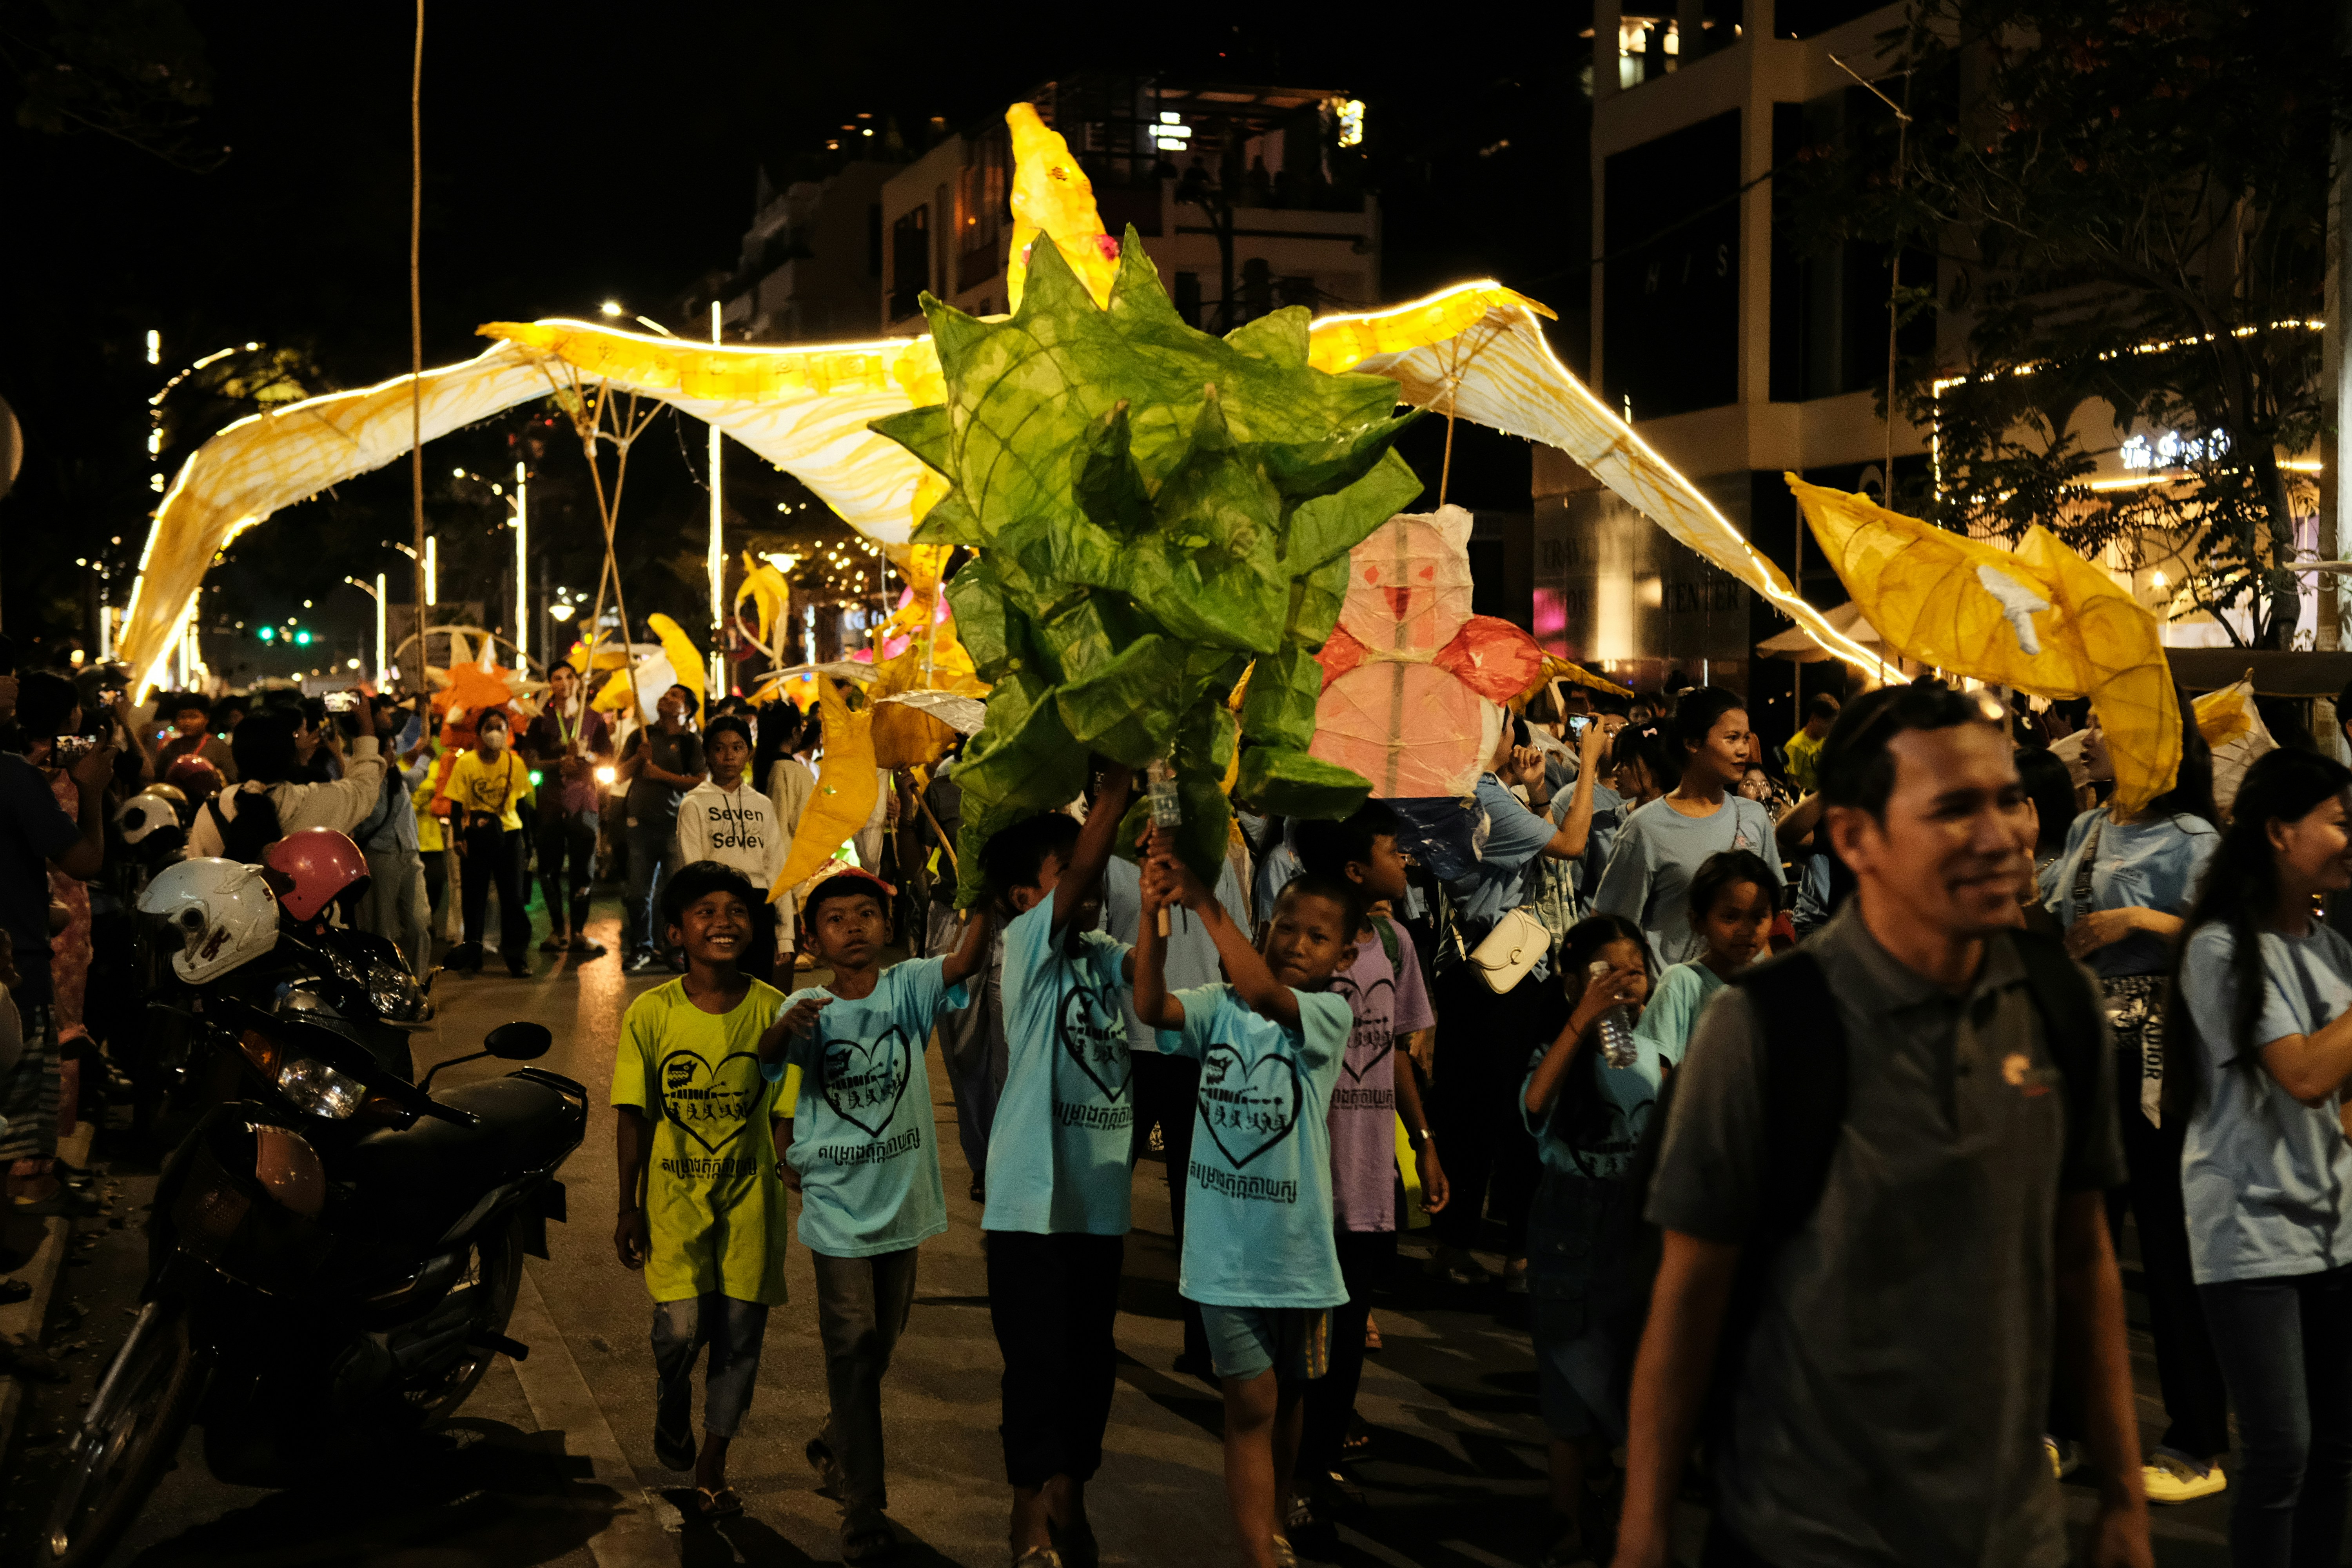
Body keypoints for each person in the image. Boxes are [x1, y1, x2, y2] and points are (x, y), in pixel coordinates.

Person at [1614, 681, 2148, 1568]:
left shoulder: (2058, 1003)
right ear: (1856, 838)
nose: (2002, 834)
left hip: (2010, 1534)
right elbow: (1687, 1297)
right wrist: (1643, 1527)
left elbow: (2082, 1253)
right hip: (1804, 1532)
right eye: (1953, 809)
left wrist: (2124, 1496)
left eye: (2009, 797)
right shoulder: (1766, 1027)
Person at [1133, 853, 1361, 1568]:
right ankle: (1259, 1553)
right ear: (1263, 926)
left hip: (1299, 1257)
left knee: (1290, 1400)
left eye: (1317, 938)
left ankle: (1276, 1518)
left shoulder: (1326, 1014)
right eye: (1284, 928)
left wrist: (1202, 897)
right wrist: (1154, 916)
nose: (1296, 944)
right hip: (1223, 1255)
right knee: (1251, 1406)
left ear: (1345, 955)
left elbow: (1264, 994)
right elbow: (1150, 1008)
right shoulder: (1215, 1006)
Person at [767, 868, 991, 1563]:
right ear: (813, 938)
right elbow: (767, 1063)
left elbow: (966, 960)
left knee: (883, 1343)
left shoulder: (909, 986)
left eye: (867, 913)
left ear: (887, 928)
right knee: (853, 1347)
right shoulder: (807, 1005)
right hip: (836, 1205)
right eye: (836, 918)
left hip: (904, 1201)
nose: (854, 926)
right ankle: (864, 1506)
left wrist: (981, 887)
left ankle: (838, 1440)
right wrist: (784, 1031)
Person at [2038, 692, 2228, 1503]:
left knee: (2170, 1247)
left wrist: (2140, 918)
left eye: (2109, 724)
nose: (2093, 740)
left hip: (2162, 1066)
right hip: (2086, 1056)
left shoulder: (2197, 840)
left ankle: (2197, 1440)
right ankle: (2063, 1425)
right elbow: (2051, 921)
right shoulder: (2086, 829)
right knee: (2077, 1243)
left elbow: (2233, 934)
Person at [2171, 748, 2352, 1567]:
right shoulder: (2220, 949)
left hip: (2333, 1229)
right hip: (2248, 1231)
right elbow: (2306, 1073)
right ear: (2281, 831)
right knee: (2282, 1451)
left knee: (2337, 1451)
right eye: (2342, 821)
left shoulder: (2331, 948)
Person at [976, 772, 1141, 1568]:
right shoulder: (1025, 950)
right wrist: (1111, 797)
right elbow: (1081, 872)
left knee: (1091, 1360)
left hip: (1099, 1199)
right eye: (1063, 866)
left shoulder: (1103, 954)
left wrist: (1178, 885)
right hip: (1027, 1204)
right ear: (1022, 896)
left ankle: (1071, 1488)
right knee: (1036, 1362)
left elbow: (1154, 984)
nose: (1087, 872)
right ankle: (1026, 1510)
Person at [612, 861, 799, 1519]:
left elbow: (785, 1112)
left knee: (741, 1339)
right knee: (680, 1332)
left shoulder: (777, 1013)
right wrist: (628, 1203)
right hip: (674, 1204)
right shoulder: (651, 1014)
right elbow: (633, 1113)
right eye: (706, 911)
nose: (724, 921)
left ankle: (711, 1467)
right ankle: (671, 1393)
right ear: (675, 933)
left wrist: (790, 1165)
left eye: (738, 910)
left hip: (752, 1208)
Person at [1288, 802, 1446, 1542]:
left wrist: (1422, 1139)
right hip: (1307, 1177)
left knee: (1346, 1342)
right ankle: (1287, 1485)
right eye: (1392, 847)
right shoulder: (1300, 948)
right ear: (1356, 868)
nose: (1405, 859)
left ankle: (1315, 1475)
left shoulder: (1394, 940)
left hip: (1369, 1177)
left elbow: (1395, 1051)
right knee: (1300, 1348)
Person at [1424, 716, 1612, 1290]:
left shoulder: (1460, 790)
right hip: (1503, 972)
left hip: (1476, 966)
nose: (1516, 736)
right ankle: (1494, 1253)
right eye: (1507, 724)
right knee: (1509, 1112)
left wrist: (1534, 794)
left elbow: (1541, 854)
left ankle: (1458, 1245)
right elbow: (1570, 846)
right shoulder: (1480, 796)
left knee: (1472, 1110)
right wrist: (1589, 765)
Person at [1100, 799, 1254, 1377]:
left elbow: (1232, 951)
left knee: (1199, 1201)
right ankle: (1095, 1328)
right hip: (1128, 1046)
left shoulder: (1212, 871)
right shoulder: (1116, 869)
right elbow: (1101, 956)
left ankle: (1203, 1339)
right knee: (1109, 1195)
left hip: (1197, 1049)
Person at [1521, 914, 1655, 1568]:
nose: (1626, 982)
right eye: (1610, 971)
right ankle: (1565, 1523)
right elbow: (1535, 1107)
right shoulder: (1557, 1055)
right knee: (1569, 1392)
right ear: (1575, 983)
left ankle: (1613, 1512)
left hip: (1634, 1237)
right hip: (1569, 1236)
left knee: (1634, 1386)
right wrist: (1584, 1019)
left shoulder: (1650, 1055)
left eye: (1636, 969)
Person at [0, 675, 113, 1214]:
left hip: (27, 935)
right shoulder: (17, 778)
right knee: (26, 1083)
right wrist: (92, 790)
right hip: (21, 953)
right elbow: (85, 860)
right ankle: (32, 1179)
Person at [1591, 686, 1785, 971]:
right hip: (1679, 1002)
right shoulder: (1646, 827)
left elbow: (1767, 916)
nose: (1744, 749)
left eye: (1746, 738)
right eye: (1731, 739)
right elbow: (1609, 926)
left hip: (1743, 998)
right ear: (1692, 743)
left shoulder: (1754, 816)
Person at [186, 701, 388, 860]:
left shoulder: (213, 809)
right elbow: (364, 788)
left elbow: (197, 873)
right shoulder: (312, 800)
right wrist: (366, 726)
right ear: (290, 754)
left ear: (236, 756)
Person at [1630, 849, 1775, 1064]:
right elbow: (1656, 1074)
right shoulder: (1681, 983)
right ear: (1698, 922)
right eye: (1730, 918)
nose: (1746, 930)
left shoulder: (1773, 987)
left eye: (1758, 917)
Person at [675, 716, 788, 983]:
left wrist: (785, 936)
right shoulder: (694, 804)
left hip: (759, 905)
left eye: (738, 748)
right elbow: (693, 869)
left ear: (748, 754)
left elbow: (777, 867)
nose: (729, 756)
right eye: (720, 748)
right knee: (716, 987)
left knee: (757, 988)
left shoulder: (762, 805)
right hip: (715, 907)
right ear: (707, 754)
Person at [523, 661, 615, 958]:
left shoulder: (594, 720)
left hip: (584, 803)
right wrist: (557, 763)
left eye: (569, 677)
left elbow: (607, 760)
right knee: (548, 870)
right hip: (550, 804)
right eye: (557, 678)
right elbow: (530, 761)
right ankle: (556, 930)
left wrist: (586, 755)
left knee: (583, 871)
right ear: (551, 684)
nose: (564, 683)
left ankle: (578, 932)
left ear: (578, 682)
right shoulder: (541, 720)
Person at [620, 684, 708, 974]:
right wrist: (637, 758)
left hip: (673, 824)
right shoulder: (640, 736)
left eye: (676, 697)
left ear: (687, 710)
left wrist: (662, 775)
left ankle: (672, 949)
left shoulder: (691, 743)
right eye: (666, 694)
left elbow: (700, 781)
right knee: (637, 892)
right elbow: (618, 774)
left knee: (670, 893)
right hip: (639, 824)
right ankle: (641, 946)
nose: (666, 698)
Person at [351, 694, 438, 977]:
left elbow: (411, 775)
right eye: (389, 750)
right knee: (382, 928)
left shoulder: (395, 775)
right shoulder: (360, 774)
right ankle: (385, 986)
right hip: (380, 856)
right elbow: (367, 819)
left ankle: (417, 984)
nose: (393, 753)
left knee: (418, 923)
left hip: (409, 853)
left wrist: (421, 715)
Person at [445, 710, 536, 978]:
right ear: (479, 733)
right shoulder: (466, 764)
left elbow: (522, 804)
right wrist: (459, 838)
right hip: (476, 836)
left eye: (500, 727)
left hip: (509, 836)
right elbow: (456, 804)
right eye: (489, 727)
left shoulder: (515, 764)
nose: (495, 733)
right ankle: (473, 957)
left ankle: (516, 958)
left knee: (514, 900)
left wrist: (529, 843)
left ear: (508, 732)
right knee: (474, 899)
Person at [153, 692, 237, 783]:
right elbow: (158, 777)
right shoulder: (172, 747)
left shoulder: (218, 748)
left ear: (207, 719)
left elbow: (231, 778)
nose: (187, 722)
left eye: (194, 717)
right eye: (183, 717)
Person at [1781, 691, 1838, 796]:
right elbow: (1792, 782)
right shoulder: (1796, 746)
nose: (1830, 728)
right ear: (1814, 719)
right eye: (1828, 723)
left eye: (1833, 724)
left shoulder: (1824, 740)